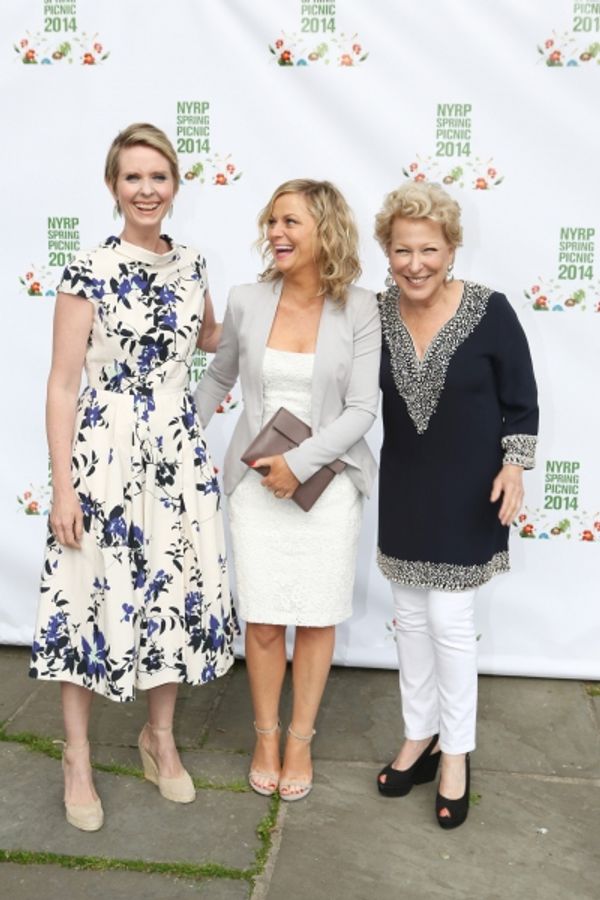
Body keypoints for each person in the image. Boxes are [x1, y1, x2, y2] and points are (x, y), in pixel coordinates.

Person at [29, 123, 237, 831]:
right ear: (113, 185)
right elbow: (62, 385)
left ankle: (160, 739)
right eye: (133, 177)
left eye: (159, 177)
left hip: (177, 454)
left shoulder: (195, 264)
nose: (146, 190)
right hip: (104, 457)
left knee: (172, 591)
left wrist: (280, 301)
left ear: (175, 185)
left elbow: (209, 337)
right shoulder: (87, 268)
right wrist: (63, 487)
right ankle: (77, 757)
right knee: (85, 596)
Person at [195, 179, 380, 801]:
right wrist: (175, 438)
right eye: (272, 221)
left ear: (326, 231)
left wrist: (297, 464)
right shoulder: (246, 299)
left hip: (329, 486)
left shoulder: (362, 308)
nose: (276, 232)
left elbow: (361, 410)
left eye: (291, 222)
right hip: (256, 486)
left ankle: (300, 739)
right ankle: (266, 736)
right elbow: (217, 378)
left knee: (318, 618)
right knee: (266, 620)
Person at [374, 181, 538, 829]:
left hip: (471, 491)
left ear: (451, 251)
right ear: (387, 252)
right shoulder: (374, 314)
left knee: (448, 620)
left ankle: (456, 752)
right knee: (410, 620)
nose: (415, 264)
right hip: (405, 488)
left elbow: (521, 400)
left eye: (429, 250)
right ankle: (419, 735)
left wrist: (514, 464)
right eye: (402, 250)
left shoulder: (491, 311)